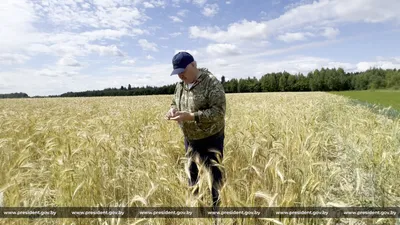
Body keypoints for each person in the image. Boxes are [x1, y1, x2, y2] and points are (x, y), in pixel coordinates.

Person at [165, 51, 226, 209]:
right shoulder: (180, 85)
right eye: (178, 74)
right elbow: (174, 102)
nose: (180, 77)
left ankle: (217, 214)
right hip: (190, 140)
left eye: (183, 72)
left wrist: (190, 116)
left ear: (193, 65)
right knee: (193, 180)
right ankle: (197, 213)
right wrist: (172, 111)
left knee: (215, 180)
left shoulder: (211, 82)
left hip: (211, 139)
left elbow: (218, 112)